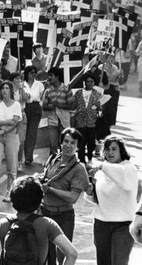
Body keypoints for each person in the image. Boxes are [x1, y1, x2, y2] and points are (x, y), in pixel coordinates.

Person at [0, 176, 78, 265]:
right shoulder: (46, 225)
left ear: (12, 199)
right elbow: (72, 253)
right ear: (40, 201)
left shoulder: (2, 224)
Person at [84, 135, 138, 265]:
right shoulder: (101, 171)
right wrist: (90, 192)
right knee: (103, 262)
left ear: (122, 151)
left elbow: (125, 183)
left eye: (114, 149)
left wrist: (103, 166)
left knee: (118, 262)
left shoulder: (129, 168)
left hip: (123, 225)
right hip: (101, 224)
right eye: (107, 149)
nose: (110, 152)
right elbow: (97, 199)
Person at [40, 127, 89, 265]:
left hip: (63, 217)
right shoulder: (53, 159)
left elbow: (73, 197)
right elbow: (46, 178)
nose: (68, 145)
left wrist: (50, 190)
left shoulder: (79, 169)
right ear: (61, 143)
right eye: (66, 141)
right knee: (44, 255)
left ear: (78, 147)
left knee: (62, 256)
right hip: (44, 213)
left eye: (73, 143)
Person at [72, 72, 103, 163]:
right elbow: (73, 105)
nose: (89, 83)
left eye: (91, 81)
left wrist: (98, 109)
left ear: (94, 83)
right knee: (81, 142)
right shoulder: (78, 93)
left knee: (91, 142)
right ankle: (81, 160)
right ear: (85, 82)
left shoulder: (98, 94)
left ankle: (89, 155)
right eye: (87, 81)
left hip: (91, 121)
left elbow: (101, 107)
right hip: (80, 120)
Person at [42, 67, 73, 155]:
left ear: (57, 76)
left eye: (51, 75)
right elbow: (44, 107)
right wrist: (52, 107)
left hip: (64, 121)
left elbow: (72, 106)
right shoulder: (48, 91)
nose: (49, 78)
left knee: (64, 144)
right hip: (52, 120)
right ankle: (52, 164)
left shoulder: (66, 89)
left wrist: (59, 105)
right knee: (53, 144)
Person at [22, 65, 44, 166]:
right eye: (31, 72)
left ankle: (29, 157)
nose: (33, 74)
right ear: (27, 73)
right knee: (24, 133)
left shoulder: (39, 85)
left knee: (32, 133)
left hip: (35, 108)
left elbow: (42, 98)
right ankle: (24, 156)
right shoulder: (22, 84)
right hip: (24, 108)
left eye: (35, 72)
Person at [97, 53, 121, 140]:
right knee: (104, 109)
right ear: (106, 58)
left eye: (113, 57)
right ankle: (103, 131)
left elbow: (117, 80)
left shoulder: (115, 67)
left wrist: (119, 75)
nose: (112, 59)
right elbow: (105, 78)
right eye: (110, 57)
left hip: (114, 90)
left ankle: (108, 128)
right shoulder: (101, 67)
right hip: (105, 89)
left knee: (112, 110)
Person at [10, 72, 29, 171]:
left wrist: (22, 89)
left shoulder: (22, 90)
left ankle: (19, 162)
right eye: (17, 78)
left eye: (20, 79)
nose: (19, 80)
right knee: (12, 141)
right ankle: (12, 162)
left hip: (22, 115)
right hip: (12, 117)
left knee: (21, 141)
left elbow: (27, 100)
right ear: (12, 80)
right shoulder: (9, 90)